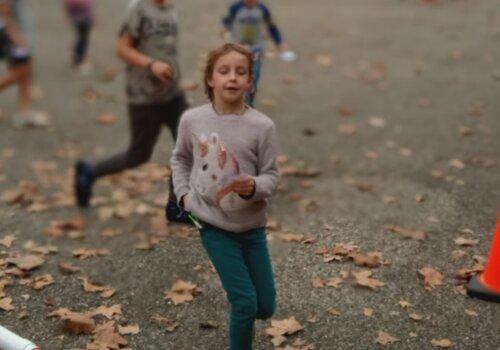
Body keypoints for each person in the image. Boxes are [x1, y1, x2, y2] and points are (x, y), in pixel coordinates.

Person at [171, 43, 279, 350]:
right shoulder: (192, 120)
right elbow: (180, 159)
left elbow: (272, 176)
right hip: (214, 225)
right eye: (224, 71)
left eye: (240, 72)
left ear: (250, 81)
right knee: (244, 303)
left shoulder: (262, 127)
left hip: (252, 228)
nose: (232, 78)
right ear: (210, 79)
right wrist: (183, 197)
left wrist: (254, 186)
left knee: (265, 307)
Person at [75, 0, 188, 223]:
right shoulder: (139, 9)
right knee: (138, 154)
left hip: (172, 93)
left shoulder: (169, 8)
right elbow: (122, 48)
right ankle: (89, 171)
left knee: (187, 143)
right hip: (144, 96)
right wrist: (151, 64)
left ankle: (176, 205)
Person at [221, 0, 288, 106]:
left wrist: (279, 42)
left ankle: (247, 104)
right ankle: (234, 100)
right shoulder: (236, 7)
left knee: (253, 76)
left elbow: (271, 27)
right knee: (237, 75)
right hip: (237, 48)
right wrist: (225, 28)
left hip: (256, 48)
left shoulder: (262, 9)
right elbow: (227, 20)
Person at [0, 0, 40, 126]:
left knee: (26, 72)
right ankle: (23, 112)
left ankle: (23, 112)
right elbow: (3, 6)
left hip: (14, 32)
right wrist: (14, 35)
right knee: (21, 72)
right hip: (11, 34)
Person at [63, 0, 94, 70]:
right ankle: (79, 58)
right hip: (82, 18)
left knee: (82, 38)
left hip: (83, 17)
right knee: (83, 39)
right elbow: (77, 4)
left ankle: (78, 57)